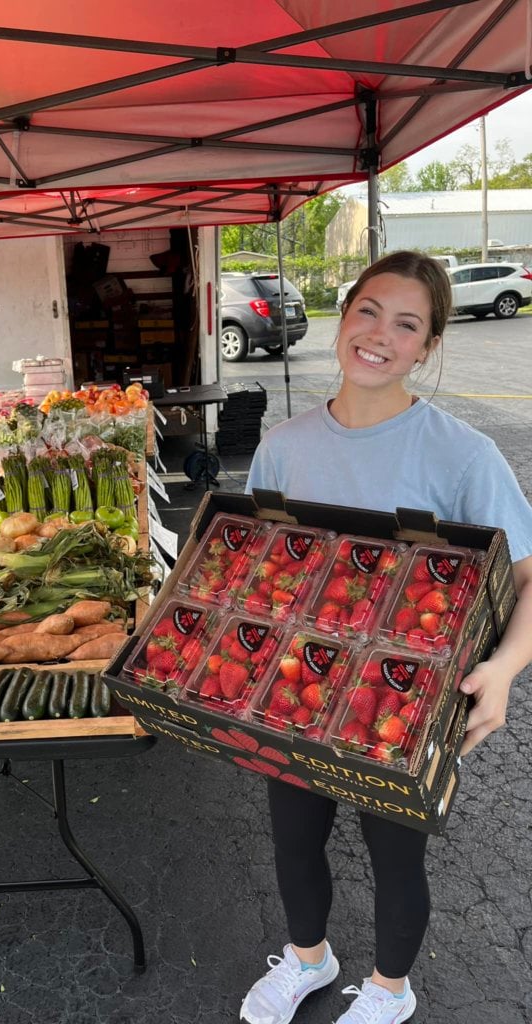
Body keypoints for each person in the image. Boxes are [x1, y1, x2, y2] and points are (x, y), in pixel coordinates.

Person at [239, 250, 532, 1024]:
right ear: (345, 316)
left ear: (428, 346)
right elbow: (255, 574)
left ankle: (389, 992)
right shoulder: (283, 447)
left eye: (407, 324)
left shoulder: (463, 454)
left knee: (396, 854)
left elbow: (530, 576)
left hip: (406, 706)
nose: (379, 335)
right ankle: (309, 962)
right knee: (293, 842)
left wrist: (503, 667)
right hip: (298, 692)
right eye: (368, 310)